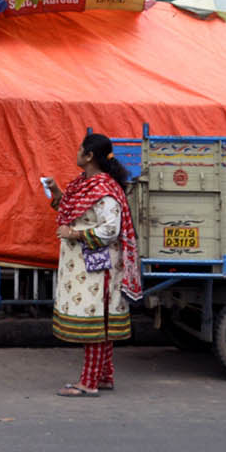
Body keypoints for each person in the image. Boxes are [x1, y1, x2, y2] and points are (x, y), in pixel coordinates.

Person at [46, 133, 142, 396]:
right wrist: (55, 192)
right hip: (86, 266)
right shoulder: (84, 185)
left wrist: (75, 234)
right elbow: (73, 209)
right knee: (102, 321)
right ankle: (105, 376)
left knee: (97, 322)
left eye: (80, 149)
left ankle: (88, 383)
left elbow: (111, 229)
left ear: (89, 156)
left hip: (98, 267)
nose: (76, 152)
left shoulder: (104, 189)